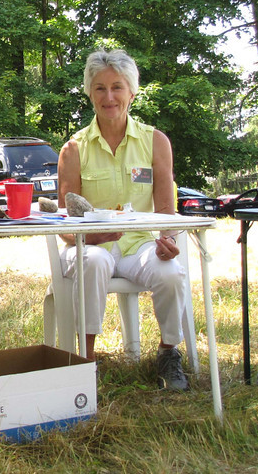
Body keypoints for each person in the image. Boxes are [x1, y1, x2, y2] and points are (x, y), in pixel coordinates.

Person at [56, 50, 189, 390]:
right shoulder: (74, 149)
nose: (109, 97)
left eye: (117, 87)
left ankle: (168, 353)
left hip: (138, 244)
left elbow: (165, 209)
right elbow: (65, 225)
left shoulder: (155, 141)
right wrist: (91, 238)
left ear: (132, 92)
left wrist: (168, 241)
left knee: (171, 274)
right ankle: (85, 362)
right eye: (99, 88)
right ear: (89, 93)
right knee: (94, 261)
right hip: (89, 245)